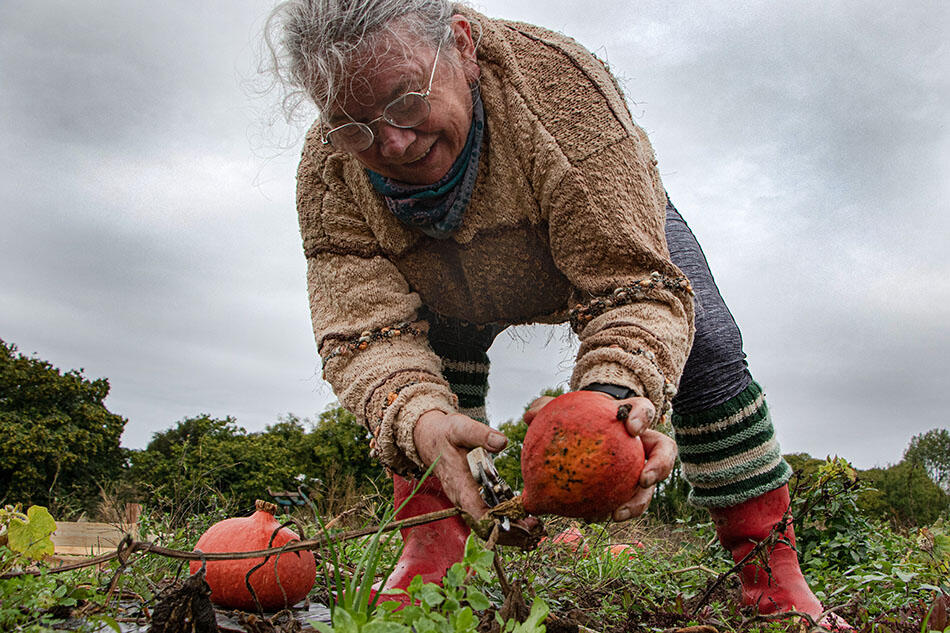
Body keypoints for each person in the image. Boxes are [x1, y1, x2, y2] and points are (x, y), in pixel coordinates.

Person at [266, 1, 847, 627]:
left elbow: (632, 282)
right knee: (430, 375)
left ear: (461, 46)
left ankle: (771, 572)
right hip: (443, 279)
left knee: (705, 344)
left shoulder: (562, 93)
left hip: (594, 229)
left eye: (407, 102)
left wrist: (611, 400)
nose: (393, 142)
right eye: (354, 125)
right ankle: (435, 548)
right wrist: (420, 419)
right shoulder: (331, 175)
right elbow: (362, 330)